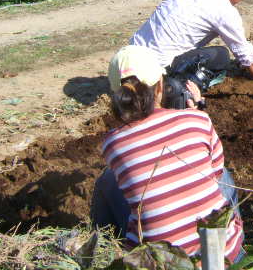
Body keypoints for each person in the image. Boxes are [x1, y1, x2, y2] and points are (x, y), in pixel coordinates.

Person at [91, 45, 244, 264]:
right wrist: (197, 112)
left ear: (117, 95)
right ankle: (245, 251)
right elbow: (217, 174)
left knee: (107, 181)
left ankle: (100, 253)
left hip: (160, 263)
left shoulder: (112, 143)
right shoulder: (197, 120)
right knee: (223, 174)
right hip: (223, 256)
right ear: (162, 86)